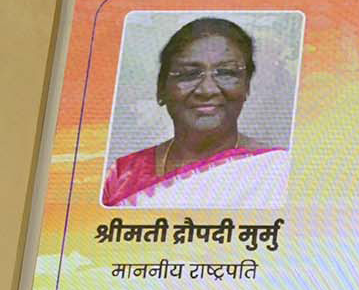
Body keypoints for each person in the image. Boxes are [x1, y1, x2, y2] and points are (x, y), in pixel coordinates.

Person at [102, 16, 289, 209]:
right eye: (188, 74)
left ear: (246, 87)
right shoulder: (121, 177)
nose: (207, 90)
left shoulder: (277, 172)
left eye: (226, 73)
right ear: (161, 90)